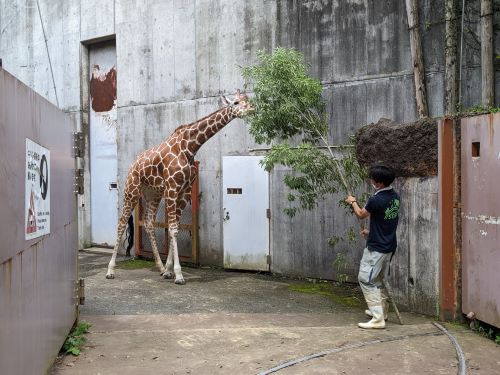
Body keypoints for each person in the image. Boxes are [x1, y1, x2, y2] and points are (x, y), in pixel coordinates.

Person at [345, 164, 400, 329]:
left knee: (366, 279)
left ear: (380, 183)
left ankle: (377, 319)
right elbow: (386, 221)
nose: (370, 180)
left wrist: (352, 202)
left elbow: (362, 213)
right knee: (376, 278)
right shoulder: (394, 196)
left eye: (373, 179)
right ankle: (381, 310)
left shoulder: (376, 199)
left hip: (377, 248)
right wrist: (371, 232)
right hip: (389, 245)